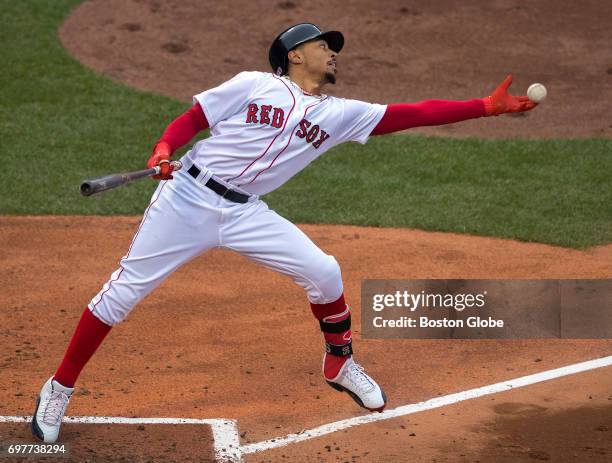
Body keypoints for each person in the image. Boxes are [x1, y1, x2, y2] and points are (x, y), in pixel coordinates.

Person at [31, 23, 536, 443]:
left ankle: (339, 364)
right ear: (295, 55)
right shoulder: (255, 84)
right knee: (122, 293)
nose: (332, 52)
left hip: (247, 213)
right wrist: (164, 147)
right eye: (323, 45)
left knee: (324, 270)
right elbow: (194, 118)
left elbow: (412, 113)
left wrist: (484, 107)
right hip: (185, 199)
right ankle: (58, 388)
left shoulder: (340, 115)